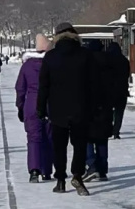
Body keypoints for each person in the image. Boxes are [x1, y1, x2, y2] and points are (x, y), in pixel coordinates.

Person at [37, 22, 95, 196]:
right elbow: (94, 84)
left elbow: (44, 85)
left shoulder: (50, 57)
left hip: (57, 109)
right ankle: (77, 175)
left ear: (57, 36)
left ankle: (61, 180)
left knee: (59, 146)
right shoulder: (86, 55)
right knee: (79, 145)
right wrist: (95, 106)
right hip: (81, 107)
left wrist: (41, 108)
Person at [16, 35, 54, 183]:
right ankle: (47, 170)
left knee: (33, 138)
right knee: (49, 137)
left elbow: (20, 88)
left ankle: (34, 170)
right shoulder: (51, 64)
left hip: (31, 104)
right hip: (50, 104)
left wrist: (20, 106)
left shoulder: (27, 66)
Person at [82, 40, 115, 183]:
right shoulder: (109, 63)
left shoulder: (86, 64)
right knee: (102, 139)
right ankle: (102, 169)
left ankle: (91, 164)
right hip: (106, 106)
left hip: (89, 106)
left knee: (87, 137)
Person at [106, 43, 131, 139]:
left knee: (108, 111)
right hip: (122, 90)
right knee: (119, 112)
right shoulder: (124, 60)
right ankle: (116, 132)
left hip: (109, 91)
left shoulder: (107, 60)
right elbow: (127, 74)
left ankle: (109, 129)